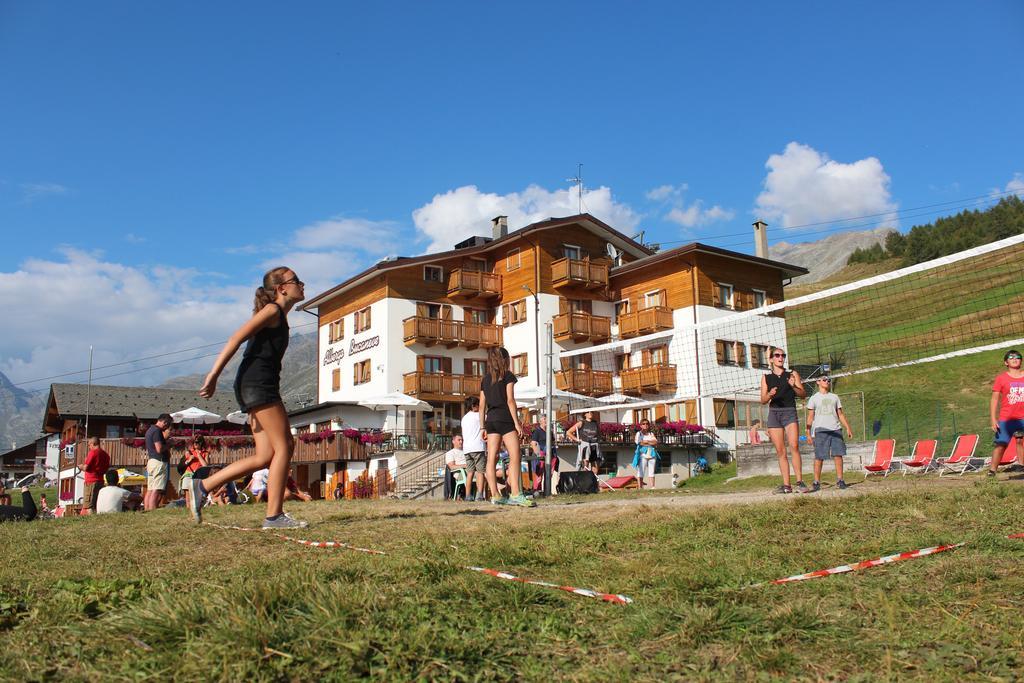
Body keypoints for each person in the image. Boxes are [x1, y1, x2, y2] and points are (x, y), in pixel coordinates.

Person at [190, 266, 308, 528]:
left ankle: (203, 485)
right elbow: (235, 338)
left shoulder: (279, 314)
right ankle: (274, 515)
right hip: (258, 385)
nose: (302, 284)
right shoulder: (272, 310)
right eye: (296, 280)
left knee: (265, 455)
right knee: (285, 445)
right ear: (281, 288)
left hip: (254, 385)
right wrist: (213, 376)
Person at [480, 346, 534, 507]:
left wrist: (482, 427)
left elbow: (482, 405)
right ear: (504, 360)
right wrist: (517, 423)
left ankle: (495, 495)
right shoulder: (508, 376)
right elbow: (510, 400)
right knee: (515, 454)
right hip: (505, 418)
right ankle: (516, 493)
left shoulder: (485, 379)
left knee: (491, 458)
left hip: (491, 420)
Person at [760, 347, 807, 494]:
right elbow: (763, 400)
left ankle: (800, 482)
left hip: (789, 412)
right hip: (774, 414)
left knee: (794, 446)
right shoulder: (766, 378)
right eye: (777, 355)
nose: (781, 358)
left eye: (783, 355)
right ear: (772, 359)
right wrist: (770, 394)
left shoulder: (792, 374)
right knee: (781, 451)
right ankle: (787, 486)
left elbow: (803, 394)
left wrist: (793, 386)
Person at [805, 377, 853, 491]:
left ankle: (840, 480)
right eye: (824, 380)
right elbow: (810, 417)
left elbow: (840, 414)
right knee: (819, 456)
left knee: (838, 455)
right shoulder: (814, 398)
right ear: (818, 382)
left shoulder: (834, 397)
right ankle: (816, 482)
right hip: (820, 431)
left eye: (828, 380)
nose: (827, 382)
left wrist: (848, 428)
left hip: (835, 429)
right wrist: (808, 433)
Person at [988, 349, 1024, 476]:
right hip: (1006, 419)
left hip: (1023, 418)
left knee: (1020, 440)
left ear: (1021, 360)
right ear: (1006, 362)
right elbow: (994, 399)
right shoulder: (1001, 378)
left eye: (1017, 357)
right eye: (1011, 357)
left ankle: (1022, 466)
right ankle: (992, 472)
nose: (1014, 359)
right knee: (1001, 445)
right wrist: (993, 418)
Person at [144, 414, 174, 511]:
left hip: (151, 461)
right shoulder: (157, 431)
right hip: (159, 462)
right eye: (167, 424)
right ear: (164, 422)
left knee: (150, 489)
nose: (167, 427)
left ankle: (147, 509)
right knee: (156, 489)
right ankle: (152, 510)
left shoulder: (149, 430)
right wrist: (169, 444)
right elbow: (159, 449)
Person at [460, 397, 487, 501]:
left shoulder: (464, 418)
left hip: (467, 448)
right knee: (480, 471)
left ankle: (468, 495)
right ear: (473, 406)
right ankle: (479, 494)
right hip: (478, 447)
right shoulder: (480, 416)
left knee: (470, 472)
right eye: (478, 404)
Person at [81, 436, 111, 515]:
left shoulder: (93, 452)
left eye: (89, 444)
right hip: (100, 480)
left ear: (93, 443)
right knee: (97, 503)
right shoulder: (106, 455)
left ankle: (90, 521)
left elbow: (86, 467)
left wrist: (81, 466)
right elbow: (106, 469)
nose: (89, 446)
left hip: (91, 481)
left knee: (89, 505)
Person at [529, 415, 559, 493]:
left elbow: (552, 442)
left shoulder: (550, 431)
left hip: (551, 455)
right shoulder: (537, 431)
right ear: (540, 421)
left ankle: (547, 493)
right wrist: (539, 455)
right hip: (541, 455)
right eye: (544, 419)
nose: (546, 421)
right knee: (539, 475)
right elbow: (533, 443)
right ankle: (536, 492)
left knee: (549, 475)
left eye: (547, 419)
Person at [567, 410, 602, 475]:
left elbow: (599, 434)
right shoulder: (581, 423)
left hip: (594, 446)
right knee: (585, 466)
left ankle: (594, 482)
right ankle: (585, 482)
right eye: (588, 412)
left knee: (595, 467)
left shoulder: (595, 423)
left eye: (591, 412)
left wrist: (599, 440)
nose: (590, 413)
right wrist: (576, 439)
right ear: (585, 414)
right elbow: (568, 432)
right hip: (585, 446)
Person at [181, 435, 211, 512]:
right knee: (188, 497)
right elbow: (183, 464)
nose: (195, 444)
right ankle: (188, 512)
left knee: (196, 496)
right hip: (188, 474)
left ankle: (196, 511)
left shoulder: (206, 453)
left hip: (198, 476)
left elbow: (206, 466)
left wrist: (199, 455)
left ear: (201, 443)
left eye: (197, 442)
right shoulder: (189, 452)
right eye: (193, 442)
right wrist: (189, 459)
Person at [632, 419, 660, 488]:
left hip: (652, 454)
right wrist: (650, 442)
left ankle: (652, 487)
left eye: (647, 423)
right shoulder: (639, 434)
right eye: (643, 424)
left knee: (652, 471)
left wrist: (646, 441)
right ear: (641, 425)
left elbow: (655, 442)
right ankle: (640, 487)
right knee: (641, 471)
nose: (645, 425)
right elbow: (639, 442)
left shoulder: (651, 433)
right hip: (643, 454)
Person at [442, 434, 468, 500]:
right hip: (460, 473)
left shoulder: (466, 452)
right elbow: (451, 466)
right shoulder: (450, 453)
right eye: (459, 440)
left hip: (470, 470)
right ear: (453, 441)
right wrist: (465, 466)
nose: (461, 442)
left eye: (462, 440)